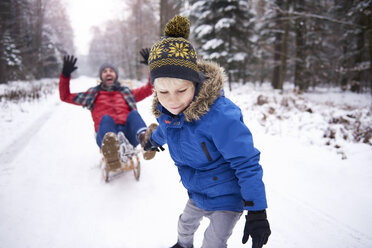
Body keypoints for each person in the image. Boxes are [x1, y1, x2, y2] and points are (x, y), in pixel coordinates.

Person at [144, 16, 271, 248]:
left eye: (181, 90)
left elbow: (246, 161)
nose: (172, 101)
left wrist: (257, 211)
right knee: (184, 226)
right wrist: (153, 141)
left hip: (227, 198)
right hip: (197, 192)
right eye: (162, 92)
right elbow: (165, 129)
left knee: (213, 241)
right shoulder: (168, 113)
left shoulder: (220, 115)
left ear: (195, 82)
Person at [59, 49, 157, 171]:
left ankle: (145, 139)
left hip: (129, 135)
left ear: (115, 75)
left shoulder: (126, 92)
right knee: (106, 118)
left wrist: (152, 67)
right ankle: (112, 150)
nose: (108, 73)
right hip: (105, 137)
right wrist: (65, 75)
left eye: (111, 71)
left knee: (133, 114)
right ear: (101, 76)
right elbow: (65, 96)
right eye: (105, 71)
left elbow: (149, 88)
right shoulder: (93, 94)